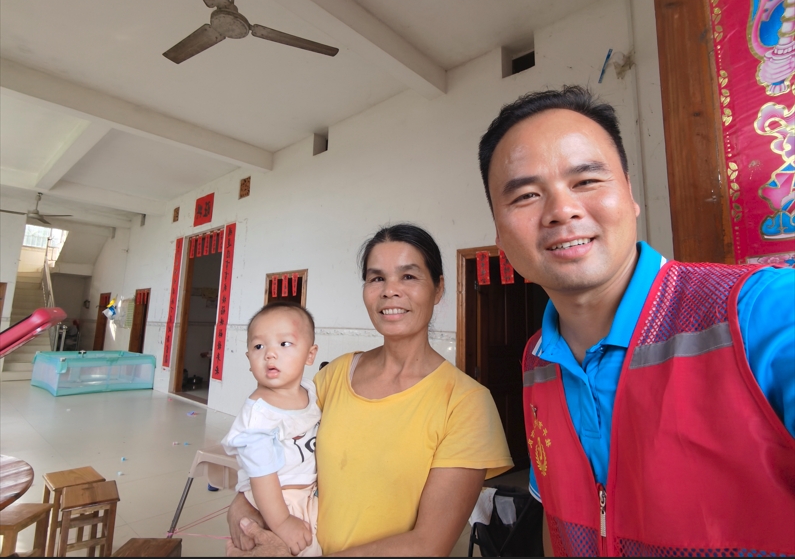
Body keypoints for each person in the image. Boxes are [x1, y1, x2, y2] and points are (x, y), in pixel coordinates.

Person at [478, 85, 795, 556]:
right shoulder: (536, 359)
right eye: (526, 195)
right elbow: (555, 518)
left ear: (630, 196)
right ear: (500, 237)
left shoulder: (761, 311)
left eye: (586, 181)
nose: (562, 210)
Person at [227, 224, 513, 556]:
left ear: (438, 289)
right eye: (377, 278)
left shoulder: (466, 403)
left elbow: (428, 545)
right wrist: (243, 504)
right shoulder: (334, 376)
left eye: (408, 276)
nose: (390, 290)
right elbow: (276, 446)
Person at [222, 302, 322, 556]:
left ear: (310, 355)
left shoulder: (310, 391)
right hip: (275, 503)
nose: (270, 354)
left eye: (284, 343)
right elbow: (262, 478)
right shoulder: (259, 417)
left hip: (308, 494)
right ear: (249, 358)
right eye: (259, 346)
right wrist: (282, 523)